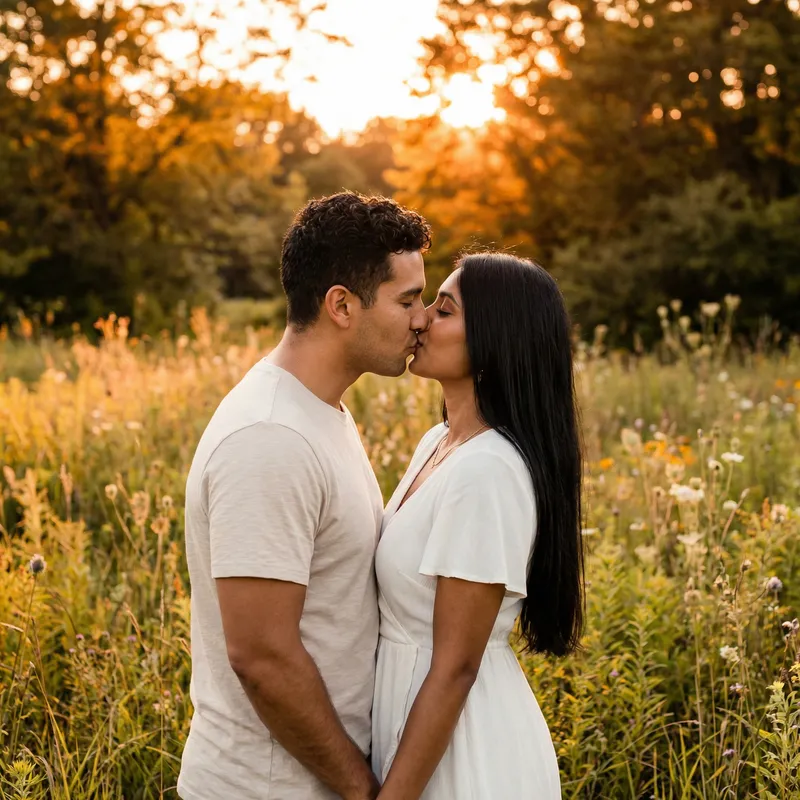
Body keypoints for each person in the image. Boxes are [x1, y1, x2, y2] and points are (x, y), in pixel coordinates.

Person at [177, 191, 431, 800]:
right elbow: (261, 655)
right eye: (407, 299)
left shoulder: (318, 411)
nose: (422, 318)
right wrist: (362, 790)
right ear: (341, 305)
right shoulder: (270, 437)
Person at [372, 252, 585, 799]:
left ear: (494, 340)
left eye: (443, 310)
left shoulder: (487, 471)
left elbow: (456, 666)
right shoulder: (437, 444)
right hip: (418, 731)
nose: (419, 320)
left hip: (465, 754)